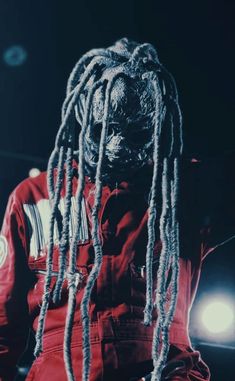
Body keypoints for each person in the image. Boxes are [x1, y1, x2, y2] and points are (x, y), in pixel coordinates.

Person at [0, 38, 219, 381]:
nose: (118, 145)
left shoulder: (184, 187)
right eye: (108, 130)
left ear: (156, 126)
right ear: (83, 116)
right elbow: (3, 317)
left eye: (135, 133)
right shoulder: (34, 196)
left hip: (165, 368)